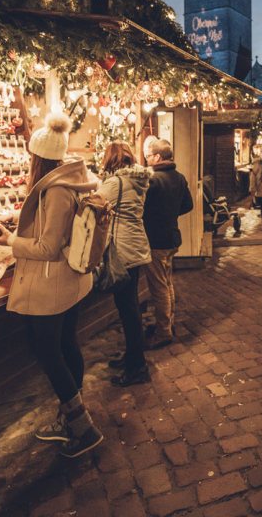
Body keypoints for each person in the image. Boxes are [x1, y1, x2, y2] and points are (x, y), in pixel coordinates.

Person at [0, 111, 102, 458]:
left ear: (39, 158)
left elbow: (48, 247)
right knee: (66, 346)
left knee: (48, 352)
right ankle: (72, 416)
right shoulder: (69, 181)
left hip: (51, 285)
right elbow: (54, 228)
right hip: (70, 281)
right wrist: (18, 220)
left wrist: (10, 240)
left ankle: (82, 429)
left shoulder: (55, 191)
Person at [97, 142, 153, 388]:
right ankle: (133, 355)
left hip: (121, 250)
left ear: (111, 160)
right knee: (130, 307)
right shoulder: (137, 181)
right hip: (135, 246)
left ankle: (137, 367)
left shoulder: (114, 183)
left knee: (128, 309)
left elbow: (91, 206)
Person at [142, 138, 194, 348]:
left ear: (157, 157)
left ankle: (163, 332)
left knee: (159, 288)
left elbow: (141, 209)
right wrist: (170, 214)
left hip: (156, 241)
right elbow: (187, 205)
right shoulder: (179, 177)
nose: (146, 161)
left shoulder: (153, 180)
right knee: (167, 283)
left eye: (147, 157)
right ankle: (168, 324)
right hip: (172, 238)